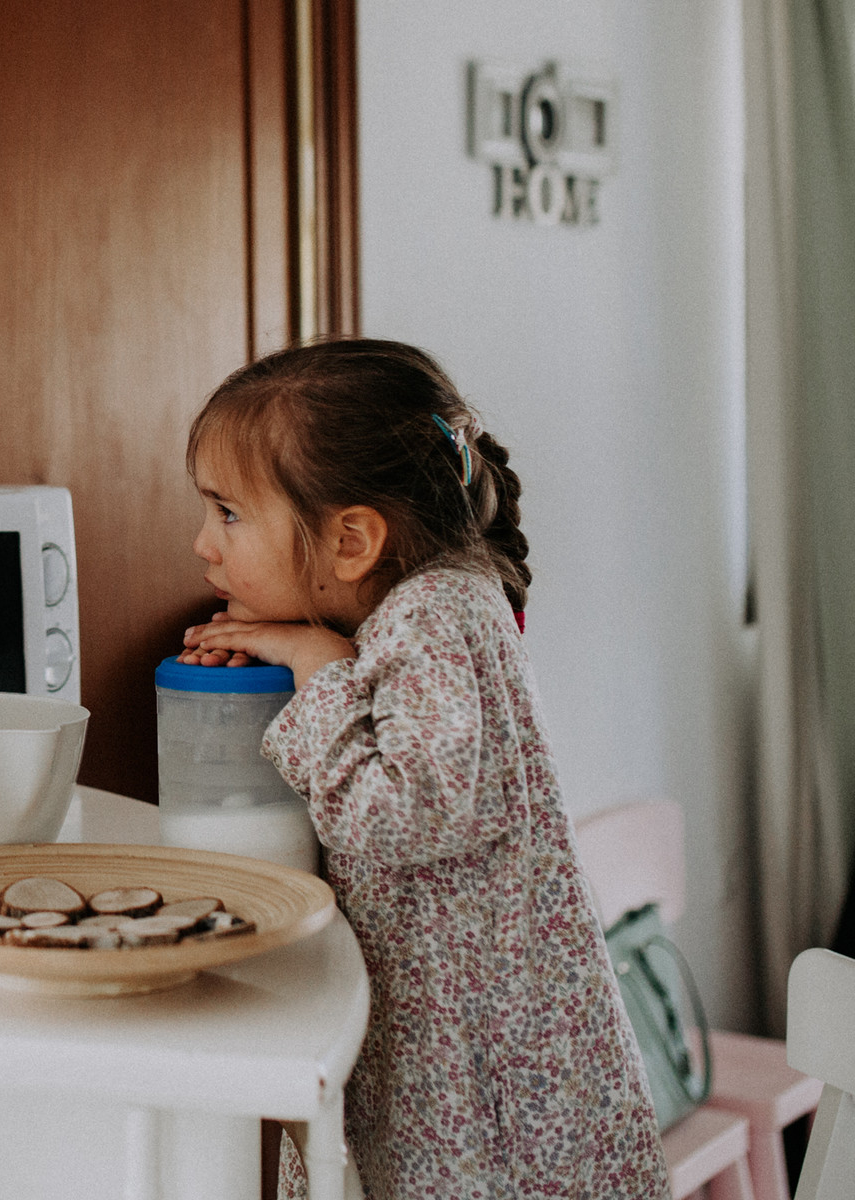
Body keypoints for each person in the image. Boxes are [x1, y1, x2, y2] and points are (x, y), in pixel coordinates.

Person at [179, 340, 669, 1199]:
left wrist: (317, 668)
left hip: (492, 1095)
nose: (202, 545)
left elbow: (403, 816)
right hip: (466, 1062)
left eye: (227, 513)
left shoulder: (433, 615)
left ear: (352, 540)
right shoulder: (431, 604)